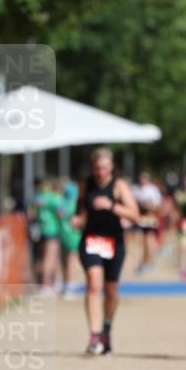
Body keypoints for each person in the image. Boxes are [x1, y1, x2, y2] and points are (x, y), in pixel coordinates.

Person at [77, 148, 140, 354]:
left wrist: (111, 205)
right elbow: (80, 210)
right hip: (91, 240)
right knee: (94, 285)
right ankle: (94, 336)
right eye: (97, 168)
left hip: (114, 241)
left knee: (111, 290)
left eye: (104, 168)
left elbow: (135, 215)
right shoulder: (87, 184)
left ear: (111, 167)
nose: (100, 172)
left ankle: (106, 328)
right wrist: (77, 219)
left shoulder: (119, 186)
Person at [132, 171, 163, 274]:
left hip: (149, 217)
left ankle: (149, 262)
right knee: (142, 241)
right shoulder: (136, 189)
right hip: (140, 218)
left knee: (148, 239)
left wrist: (149, 206)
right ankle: (144, 261)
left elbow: (158, 205)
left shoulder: (152, 189)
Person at [57, 178, 83, 299]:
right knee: (71, 261)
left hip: (62, 233)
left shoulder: (61, 202)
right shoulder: (72, 204)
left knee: (64, 260)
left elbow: (60, 214)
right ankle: (69, 285)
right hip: (72, 235)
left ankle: (65, 283)